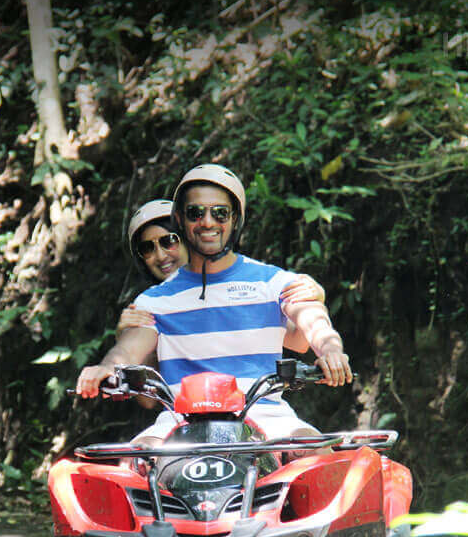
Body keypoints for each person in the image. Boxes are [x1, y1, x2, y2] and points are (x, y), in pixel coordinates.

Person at [76, 164, 351, 443]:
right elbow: (127, 350)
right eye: (196, 213)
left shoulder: (273, 282)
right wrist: (107, 367)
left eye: (220, 213)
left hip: (268, 419)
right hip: (177, 424)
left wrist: (331, 351)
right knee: (134, 465)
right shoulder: (153, 301)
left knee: (312, 454)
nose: (208, 222)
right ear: (180, 220)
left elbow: (311, 319)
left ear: (235, 220)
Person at [119, 200, 325, 355]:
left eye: (169, 241)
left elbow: (299, 342)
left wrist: (313, 297)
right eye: (147, 248)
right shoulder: (151, 308)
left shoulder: (240, 290)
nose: (161, 255)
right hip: (183, 410)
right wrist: (126, 337)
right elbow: (147, 398)